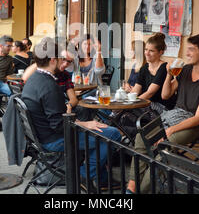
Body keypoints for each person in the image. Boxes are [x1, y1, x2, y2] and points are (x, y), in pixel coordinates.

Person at [20, 37, 122, 190]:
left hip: (41, 137)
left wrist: (83, 123)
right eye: (61, 59)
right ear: (53, 60)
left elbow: (58, 120)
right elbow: (59, 125)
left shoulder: (34, 79)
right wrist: (85, 124)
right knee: (112, 134)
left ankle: (101, 179)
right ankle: (83, 175)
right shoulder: (49, 85)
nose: (63, 62)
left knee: (102, 132)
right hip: (54, 140)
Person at [126, 34, 199, 194]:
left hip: (191, 125)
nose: (187, 53)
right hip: (173, 116)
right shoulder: (186, 70)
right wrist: (169, 74)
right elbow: (165, 95)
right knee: (142, 137)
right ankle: (131, 189)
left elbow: (197, 119)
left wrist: (170, 130)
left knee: (163, 149)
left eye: (191, 49)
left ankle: (142, 191)